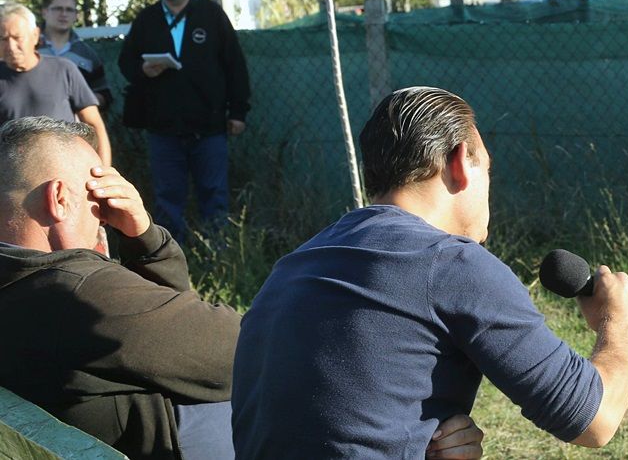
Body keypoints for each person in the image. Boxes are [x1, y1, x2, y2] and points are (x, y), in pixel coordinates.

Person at [0, 116, 486, 460]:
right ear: (61, 198)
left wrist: (142, 238)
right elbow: (256, 353)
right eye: (99, 196)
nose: (105, 218)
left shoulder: (26, 288)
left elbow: (175, 312)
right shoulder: (77, 291)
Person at [232, 86, 628, 458]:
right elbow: (595, 420)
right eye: (487, 168)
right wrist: (620, 325)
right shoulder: (452, 264)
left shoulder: (292, 266)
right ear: (457, 163)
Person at [118, 0, 251, 241]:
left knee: (214, 196)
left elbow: (235, 65)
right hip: (164, 128)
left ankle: (218, 256)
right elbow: (126, 62)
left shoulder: (211, 14)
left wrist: (238, 112)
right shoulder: (147, 19)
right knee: (167, 199)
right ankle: (169, 259)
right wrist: (143, 70)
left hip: (210, 125)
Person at [1, 2, 111, 164]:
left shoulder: (64, 70)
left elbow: (94, 124)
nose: (11, 46)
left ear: (35, 35)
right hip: (13, 178)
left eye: (17, 37)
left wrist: (104, 173)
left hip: (67, 169)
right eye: (3, 39)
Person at [38, 0, 113, 110]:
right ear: (44, 12)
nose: (64, 14)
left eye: (69, 10)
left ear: (76, 15)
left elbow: (103, 93)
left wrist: (84, 103)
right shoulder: (27, 48)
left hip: (74, 126)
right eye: (58, 9)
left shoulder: (87, 54)